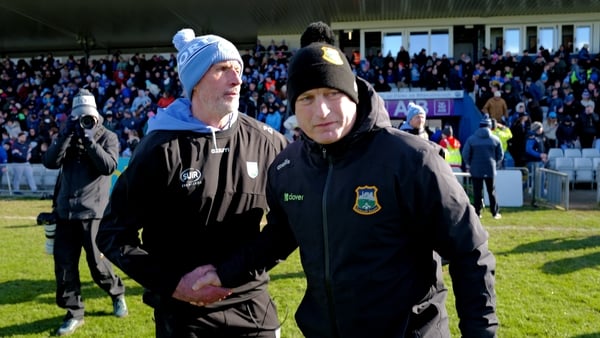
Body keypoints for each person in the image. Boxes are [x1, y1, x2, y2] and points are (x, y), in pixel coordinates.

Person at [189, 42, 498, 337]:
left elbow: (470, 252)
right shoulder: (287, 168)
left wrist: (480, 333)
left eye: (331, 93)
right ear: (293, 106)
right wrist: (225, 272)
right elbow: (280, 236)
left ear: (352, 94)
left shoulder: (412, 159)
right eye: (307, 98)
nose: (321, 111)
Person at [96, 29, 288, 337]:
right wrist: (174, 284)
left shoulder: (269, 143)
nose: (236, 80)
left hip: (253, 308)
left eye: (237, 70)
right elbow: (113, 235)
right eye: (222, 69)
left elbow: (288, 225)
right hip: (184, 313)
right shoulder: (159, 149)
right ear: (195, 81)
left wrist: (232, 271)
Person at [42, 89, 127, 336]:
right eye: (79, 117)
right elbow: (49, 162)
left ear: (96, 116)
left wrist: (89, 140)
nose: (84, 121)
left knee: (98, 265)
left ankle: (117, 293)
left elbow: (109, 166)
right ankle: (74, 312)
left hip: (93, 213)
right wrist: (67, 134)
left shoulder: (107, 137)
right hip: (65, 212)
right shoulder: (67, 136)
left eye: (87, 117)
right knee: (65, 267)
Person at [463, 114, 504, 219]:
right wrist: (495, 163)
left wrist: (470, 164)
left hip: (475, 169)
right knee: (492, 191)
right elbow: (500, 155)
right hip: (490, 168)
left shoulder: (471, 139)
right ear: (490, 126)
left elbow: (465, 154)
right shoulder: (495, 139)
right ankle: (495, 212)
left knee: (477, 191)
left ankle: (477, 212)